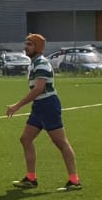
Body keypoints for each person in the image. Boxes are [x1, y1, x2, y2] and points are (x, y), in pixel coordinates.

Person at [7, 34, 81, 191]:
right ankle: (31, 178)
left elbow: (39, 89)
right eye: (26, 44)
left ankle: (74, 181)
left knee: (61, 142)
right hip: (40, 106)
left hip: (48, 105)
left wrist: (17, 105)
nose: (26, 47)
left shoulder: (41, 64)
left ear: (38, 47)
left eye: (30, 44)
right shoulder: (34, 64)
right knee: (25, 139)